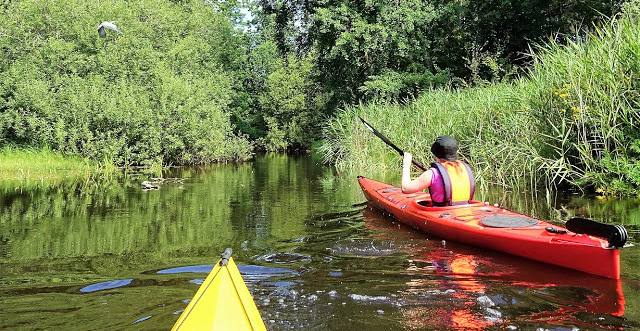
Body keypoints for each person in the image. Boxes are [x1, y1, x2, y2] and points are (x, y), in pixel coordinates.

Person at [401, 135, 475, 206]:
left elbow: (405, 188)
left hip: (443, 213)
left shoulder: (432, 173)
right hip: (466, 209)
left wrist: (406, 165)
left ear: (436, 155)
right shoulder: (465, 169)